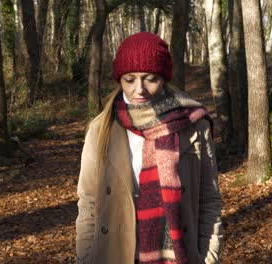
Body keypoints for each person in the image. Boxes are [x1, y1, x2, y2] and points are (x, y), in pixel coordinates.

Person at [75, 32, 223, 264]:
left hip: (179, 255)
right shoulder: (101, 128)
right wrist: (85, 257)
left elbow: (209, 199)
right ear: (119, 79)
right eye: (129, 79)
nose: (139, 89)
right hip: (114, 254)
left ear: (164, 78)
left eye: (150, 78)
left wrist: (209, 257)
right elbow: (88, 202)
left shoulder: (195, 125)